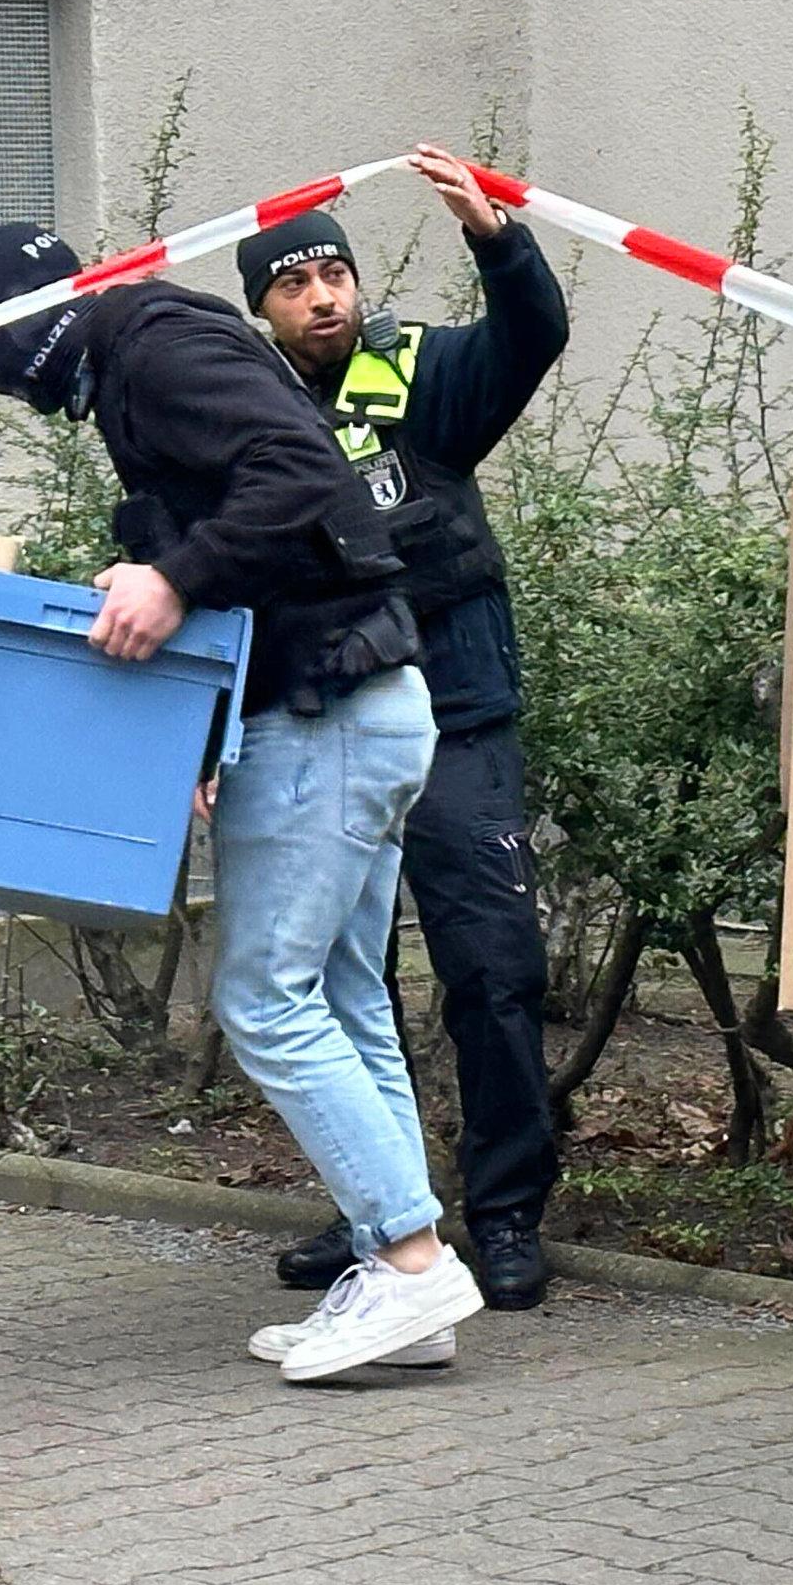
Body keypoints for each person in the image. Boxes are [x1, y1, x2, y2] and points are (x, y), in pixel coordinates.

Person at [0, 213, 482, 1385]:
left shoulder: (154, 347)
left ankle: (412, 1262)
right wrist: (196, 688)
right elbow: (268, 524)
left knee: (264, 1001)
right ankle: (407, 1286)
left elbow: (301, 476)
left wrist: (172, 579)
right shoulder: (149, 353)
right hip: (352, 705)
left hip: (329, 714)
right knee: (344, 997)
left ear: (21, 329)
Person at [236, 146, 571, 1317]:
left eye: (334, 273)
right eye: (293, 284)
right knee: (341, 982)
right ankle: (378, 1207)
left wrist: (497, 240)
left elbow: (532, 337)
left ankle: (509, 1212)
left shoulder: (415, 374)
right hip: (325, 724)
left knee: (492, 965)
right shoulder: (251, 407)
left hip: (457, 713)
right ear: (263, 309)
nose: (322, 296)